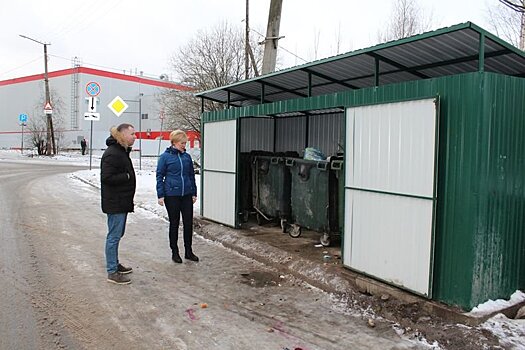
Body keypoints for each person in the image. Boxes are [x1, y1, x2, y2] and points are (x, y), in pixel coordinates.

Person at [100, 123, 137, 284]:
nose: (135, 137)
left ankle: (115, 264)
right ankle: (112, 271)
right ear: (122, 135)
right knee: (114, 236)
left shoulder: (121, 151)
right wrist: (127, 177)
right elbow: (106, 178)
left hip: (121, 201)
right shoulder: (113, 153)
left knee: (117, 234)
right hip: (115, 202)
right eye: (132, 134)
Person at [156, 130, 199, 263]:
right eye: (182, 143)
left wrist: (194, 192)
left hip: (186, 194)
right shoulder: (165, 157)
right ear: (174, 142)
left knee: (188, 223)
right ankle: (175, 252)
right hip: (171, 195)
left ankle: (188, 251)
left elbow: (191, 176)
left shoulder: (186, 157)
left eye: (185, 143)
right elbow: (159, 176)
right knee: (174, 223)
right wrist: (161, 195)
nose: (184, 145)